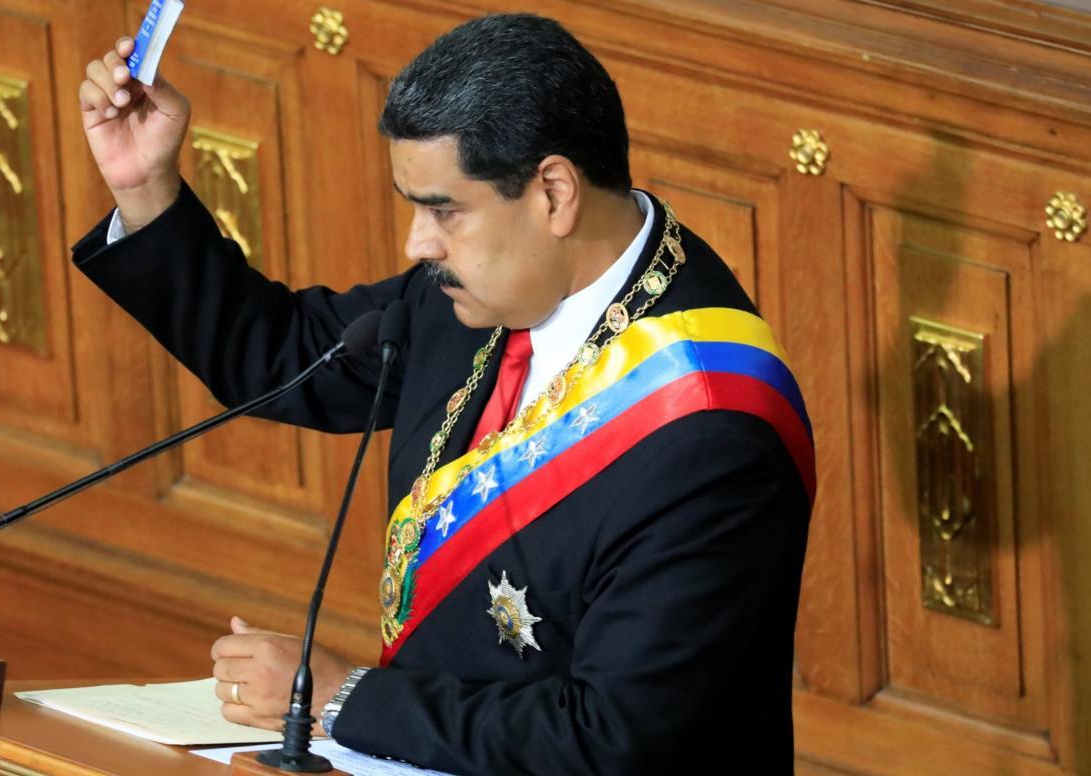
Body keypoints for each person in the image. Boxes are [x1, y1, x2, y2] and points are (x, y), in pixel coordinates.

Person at [74, 13, 813, 773]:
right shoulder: (475, 291)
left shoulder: (708, 429)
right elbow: (287, 355)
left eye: (443, 209)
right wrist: (147, 188)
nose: (417, 245)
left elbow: (615, 739)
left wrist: (345, 699)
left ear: (555, 193)